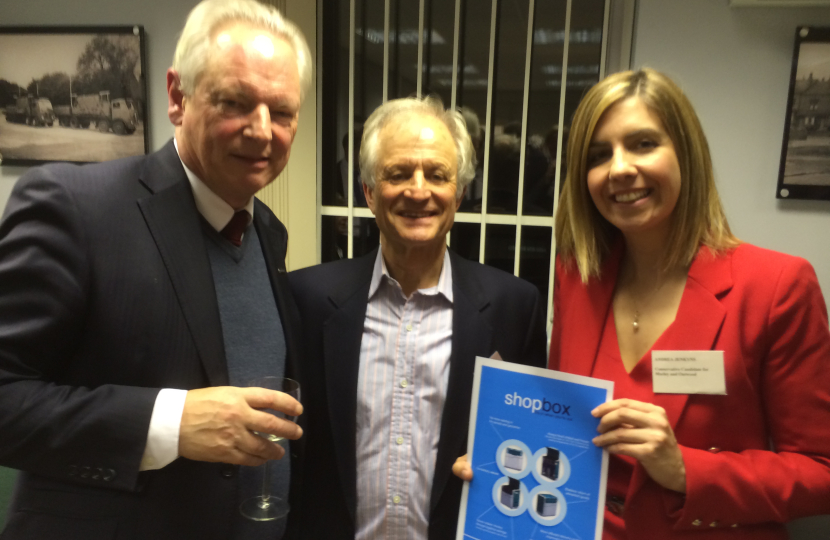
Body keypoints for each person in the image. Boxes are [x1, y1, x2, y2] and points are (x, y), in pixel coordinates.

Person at [455, 68, 830, 538]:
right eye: (598, 155)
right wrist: (504, 459)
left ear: (686, 154)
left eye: (643, 144)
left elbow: (821, 470)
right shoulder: (578, 277)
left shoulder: (776, 287)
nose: (619, 168)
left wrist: (686, 470)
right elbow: (564, 429)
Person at [0, 1, 312, 539]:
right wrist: (169, 423)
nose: (263, 131)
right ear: (177, 96)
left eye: (281, 112)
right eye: (235, 102)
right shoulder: (74, 207)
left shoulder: (268, 232)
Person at [289, 96, 547, 540]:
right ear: (369, 192)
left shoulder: (514, 308)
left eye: (438, 174)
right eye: (398, 173)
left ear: (459, 194)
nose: (418, 190)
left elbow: (527, 449)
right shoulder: (307, 299)